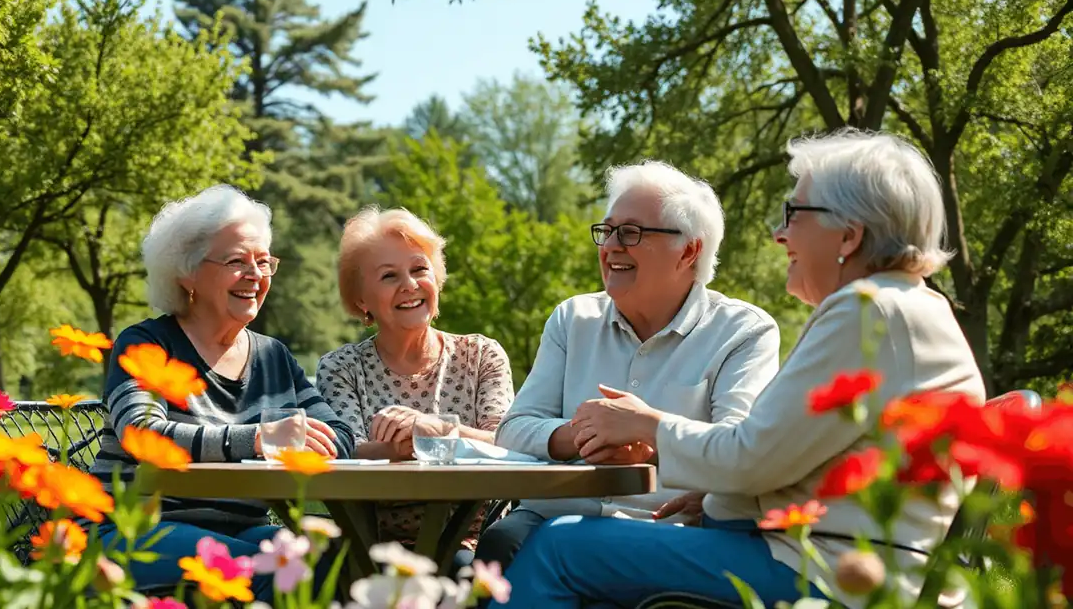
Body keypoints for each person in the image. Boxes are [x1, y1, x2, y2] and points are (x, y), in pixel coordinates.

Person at [493, 130, 986, 609]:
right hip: (843, 560)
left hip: (828, 571)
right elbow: (780, 455)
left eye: (795, 213)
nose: (780, 233)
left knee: (561, 548)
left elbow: (748, 455)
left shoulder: (865, 311)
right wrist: (713, 497)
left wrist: (646, 424)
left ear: (849, 235)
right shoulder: (910, 307)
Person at [477, 160, 781, 570]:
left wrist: (653, 446)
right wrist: (584, 436)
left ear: (688, 250)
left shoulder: (744, 332)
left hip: (666, 527)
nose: (611, 246)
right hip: (550, 515)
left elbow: (736, 449)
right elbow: (513, 428)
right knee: (498, 543)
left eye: (632, 232)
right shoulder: (572, 318)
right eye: (607, 231)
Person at [86, 185, 355, 602]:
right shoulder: (147, 343)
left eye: (264, 262)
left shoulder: (274, 356)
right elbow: (141, 433)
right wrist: (259, 439)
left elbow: (338, 432)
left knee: (338, 559)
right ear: (187, 271)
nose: (256, 275)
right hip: (130, 528)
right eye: (237, 262)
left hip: (238, 529)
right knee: (263, 573)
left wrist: (312, 439)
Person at [316, 206, 515, 570]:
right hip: (368, 546)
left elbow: (507, 441)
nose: (409, 285)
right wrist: (412, 445)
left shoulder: (481, 355)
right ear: (362, 300)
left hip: (470, 543)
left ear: (436, 278)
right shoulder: (341, 367)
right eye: (389, 276)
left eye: (420, 269)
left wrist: (431, 430)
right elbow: (345, 451)